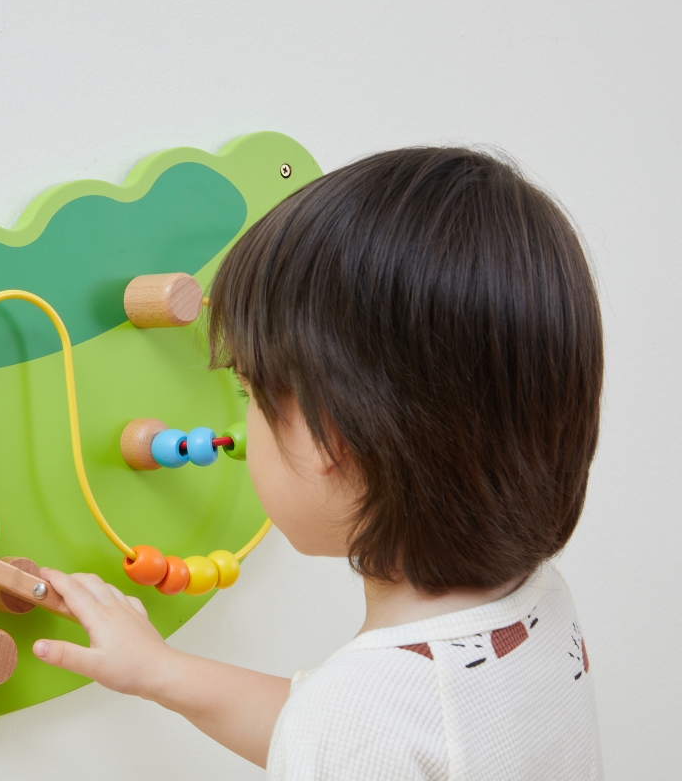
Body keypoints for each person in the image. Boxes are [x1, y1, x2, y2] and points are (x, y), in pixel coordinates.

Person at [32, 147, 604, 779]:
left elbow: (347, 736)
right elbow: (354, 736)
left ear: (329, 439)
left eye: (248, 393)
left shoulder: (354, 720)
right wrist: (159, 670)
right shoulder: (533, 606)